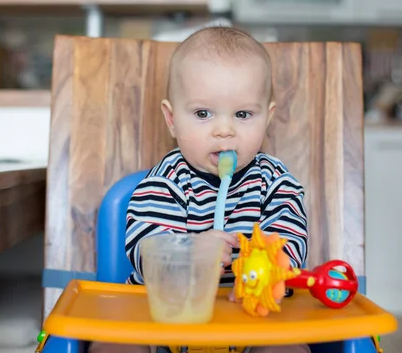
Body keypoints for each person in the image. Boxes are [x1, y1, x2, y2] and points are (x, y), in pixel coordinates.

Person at [89, 26, 309, 353]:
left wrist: (267, 261)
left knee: (289, 349)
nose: (224, 130)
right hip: (164, 322)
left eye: (243, 114)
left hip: (254, 323)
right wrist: (192, 255)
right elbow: (147, 251)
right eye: (203, 113)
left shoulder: (275, 182)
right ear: (172, 118)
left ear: (267, 118)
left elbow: (291, 243)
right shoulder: (163, 183)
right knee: (112, 346)